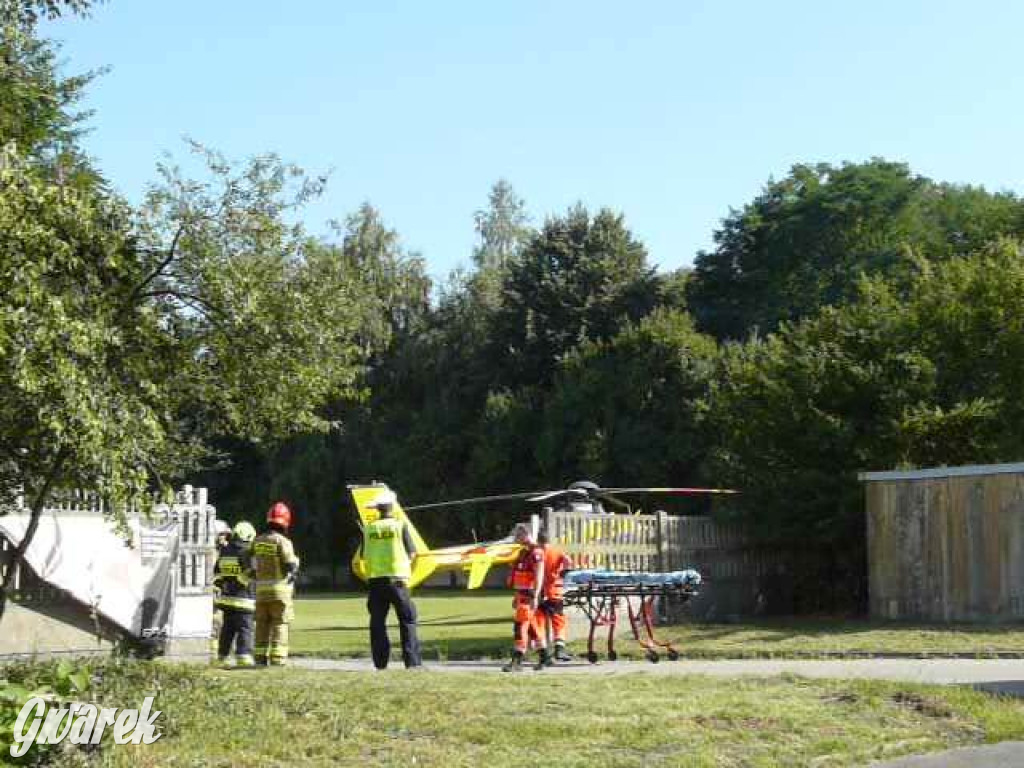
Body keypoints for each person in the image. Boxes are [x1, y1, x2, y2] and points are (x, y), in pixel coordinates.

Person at [360, 490, 422, 669]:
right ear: (393, 507)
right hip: (397, 580)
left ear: (378, 509)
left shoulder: (368, 528)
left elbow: (364, 555)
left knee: (377, 622)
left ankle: (380, 663)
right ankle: (412, 663)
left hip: (375, 581)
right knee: (408, 619)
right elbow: (412, 553)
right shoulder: (399, 525)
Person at [250, 501, 300, 666]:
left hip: (260, 591)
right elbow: (291, 565)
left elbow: (248, 561)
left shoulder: (257, 541)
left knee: (262, 624)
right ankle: (278, 659)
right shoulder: (283, 542)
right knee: (279, 623)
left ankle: (259, 657)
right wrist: (295, 568)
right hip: (280, 591)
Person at [502, 523, 549, 672]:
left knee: (520, 627)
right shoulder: (523, 553)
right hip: (522, 595)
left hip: (530, 596)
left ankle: (517, 660)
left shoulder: (536, 552)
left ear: (528, 534)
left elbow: (539, 574)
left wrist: (535, 595)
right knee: (533, 628)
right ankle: (544, 657)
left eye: (519, 534)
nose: (517, 537)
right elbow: (519, 577)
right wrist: (516, 596)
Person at [213, 521, 257, 667]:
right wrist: (238, 584)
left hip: (227, 600)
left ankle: (223, 655)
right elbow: (251, 572)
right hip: (244, 599)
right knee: (245, 628)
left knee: (227, 629)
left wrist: (224, 585)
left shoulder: (225, 551)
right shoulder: (246, 552)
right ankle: (243, 656)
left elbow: (217, 572)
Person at [536, 529, 573, 663]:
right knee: (558, 621)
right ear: (548, 540)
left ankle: (543, 652)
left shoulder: (536, 553)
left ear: (538, 541)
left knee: (538, 621)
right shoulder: (556, 551)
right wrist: (563, 573)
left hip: (539, 592)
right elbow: (568, 561)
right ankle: (559, 649)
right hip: (554, 591)